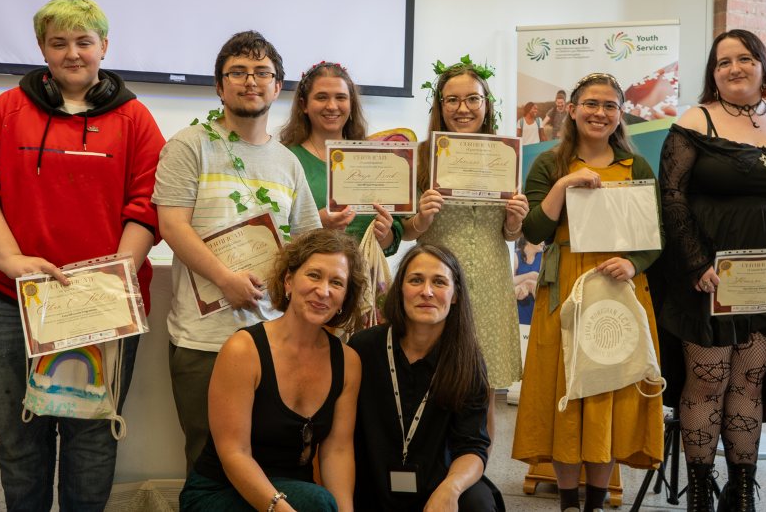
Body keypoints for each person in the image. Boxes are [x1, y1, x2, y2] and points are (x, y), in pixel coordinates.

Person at [0, 0, 164, 510]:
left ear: (104, 47)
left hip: (102, 305)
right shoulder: (5, 110)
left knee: (91, 438)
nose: (72, 53)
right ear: (42, 49)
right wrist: (10, 261)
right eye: (59, 42)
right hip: (10, 301)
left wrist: (113, 279)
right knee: (19, 436)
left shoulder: (135, 119)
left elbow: (149, 204)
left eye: (84, 42)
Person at [658, 30, 766, 511]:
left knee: (749, 381)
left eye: (745, 58)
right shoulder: (696, 120)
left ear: (763, 65)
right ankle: (700, 494)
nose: (734, 68)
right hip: (708, 278)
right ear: (713, 73)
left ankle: (743, 491)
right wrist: (694, 262)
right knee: (708, 380)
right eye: (723, 61)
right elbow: (672, 197)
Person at [154, 30, 322, 472]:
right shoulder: (189, 144)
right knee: (208, 463)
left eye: (262, 72)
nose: (251, 81)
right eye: (238, 72)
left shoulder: (288, 162)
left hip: (273, 338)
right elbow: (172, 225)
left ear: (277, 87)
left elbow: (307, 242)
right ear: (219, 85)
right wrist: (225, 280)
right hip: (203, 339)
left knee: (269, 460)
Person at [510, 73, 664, 512]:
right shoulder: (548, 164)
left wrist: (633, 263)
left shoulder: (636, 167)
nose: (600, 113)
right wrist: (563, 185)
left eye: (610, 105)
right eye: (591, 104)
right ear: (573, 110)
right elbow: (534, 230)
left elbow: (654, 236)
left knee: (608, 391)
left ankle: (595, 503)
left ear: (620, 114)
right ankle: (568, 504)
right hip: (565, 287)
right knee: (566, 389)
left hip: (618, 286)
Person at [180, 228, 363, 512]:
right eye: (314, 275)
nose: (324, 291)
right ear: (289, 281)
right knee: (318, 502)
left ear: (345, 296)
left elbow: (337, 452)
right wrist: (282, 509)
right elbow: (234, 453)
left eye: (337, 282)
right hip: (220, 491)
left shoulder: (348, 361)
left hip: (298, 495)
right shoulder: (244, 349)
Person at [403, 60, 528, 398]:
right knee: (433, 381)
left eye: (473, 99)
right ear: (439, 106)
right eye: (453, 100)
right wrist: (421, 218)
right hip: (435, 280)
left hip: (490, 280)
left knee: (484, 386)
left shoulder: (505, 156)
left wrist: (514, 222)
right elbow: (406, 232)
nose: (463, 109)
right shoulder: (421, 157)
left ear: (486, 104)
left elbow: (509, 233)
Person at [348, 243, 505, 512]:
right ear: (400, 289)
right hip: (371, 483)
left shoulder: (466, 360)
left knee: (478, 503)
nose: (427, 291)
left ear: (455, 295)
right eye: (416, 280)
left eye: (439, 282)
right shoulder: (363, 348)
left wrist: (450, 488)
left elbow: (473, 445)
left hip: (438, 484)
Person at [279, 61, 403, 255]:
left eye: (340, 97)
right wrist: (315, 223)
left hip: (365, 272)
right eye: (321, 97)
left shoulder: (375, 160)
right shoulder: (285, 158)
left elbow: (390, 239)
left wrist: (384, 232)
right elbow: (274, 235)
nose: (332, 106)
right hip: (310, 272)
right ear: (304, 104)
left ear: (351, 104)